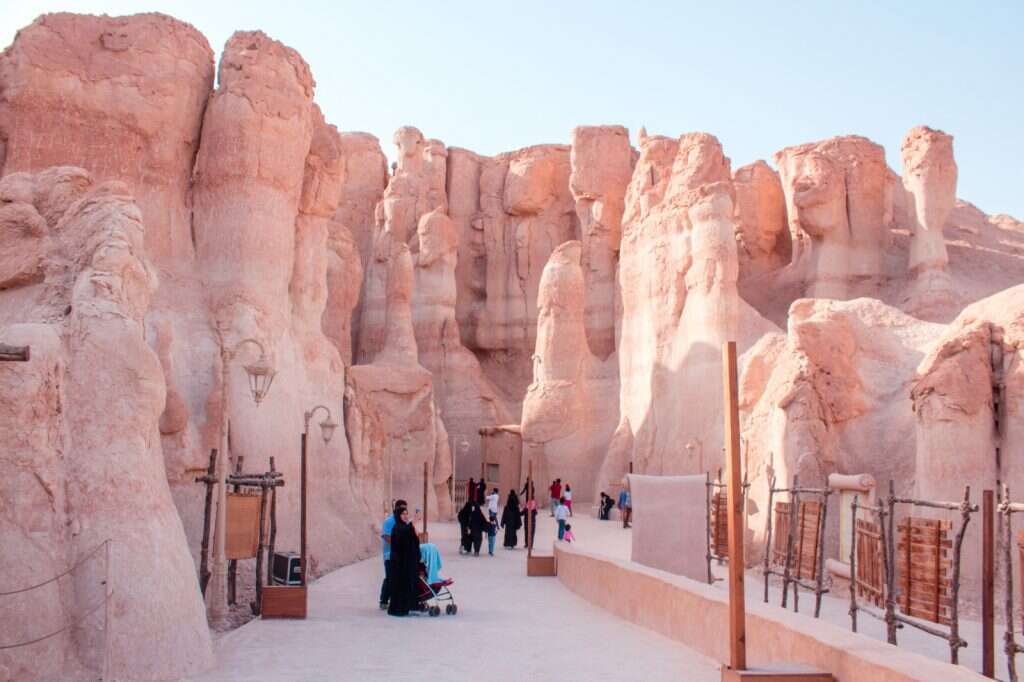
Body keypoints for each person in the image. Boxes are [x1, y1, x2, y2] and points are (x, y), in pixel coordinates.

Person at [387, 506, 421, 616]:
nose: (405, 516)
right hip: (398, 563)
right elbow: (405, 532)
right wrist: (412, 524)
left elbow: (414, 538)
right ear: (398, 516)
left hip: (405, 562)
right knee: (399, 585)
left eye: (407, 514)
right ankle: (398, 609)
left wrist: (412, 526)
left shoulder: (405, 527)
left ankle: (406, 606)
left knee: (406, 584)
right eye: (403, 514)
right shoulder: (397, 528)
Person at [379, 499, 407, 609]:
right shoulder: (389, 521)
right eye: (401, 509)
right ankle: (384, 600)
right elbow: (386, 536)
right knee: (390, 577)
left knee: (398, 577)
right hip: (389, 555)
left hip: (400, 555)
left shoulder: (404, 520)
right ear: (396, 509)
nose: (404, 512)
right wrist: (398, 543)